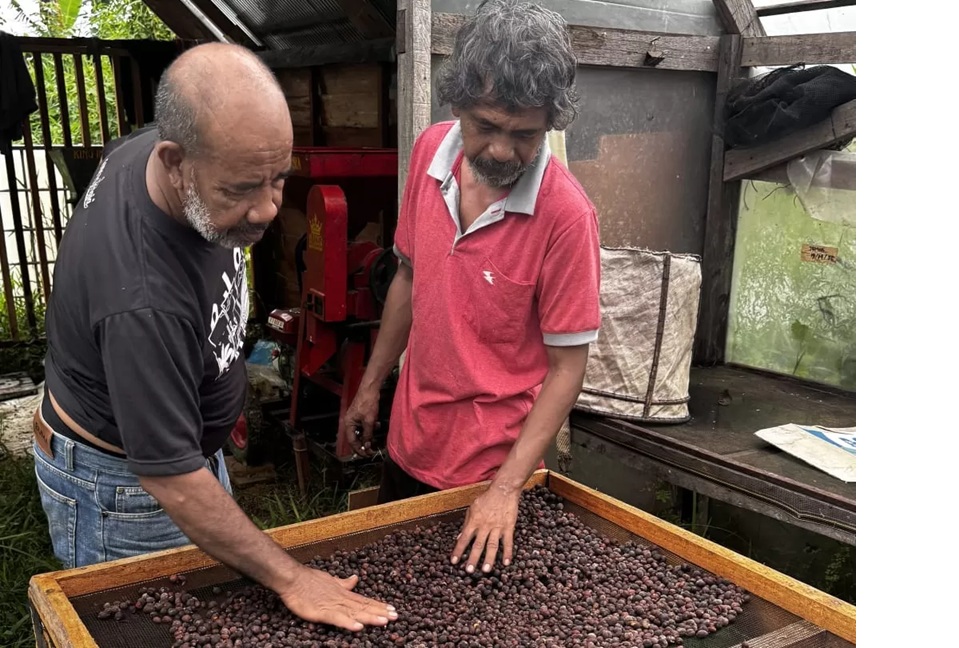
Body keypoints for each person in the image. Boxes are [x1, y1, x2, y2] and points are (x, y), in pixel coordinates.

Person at [32, 42, 396, 633]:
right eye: (241, 189)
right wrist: (294, 578)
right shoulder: (141, 301)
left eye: (279, 179)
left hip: (179, 456)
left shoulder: (153, 151)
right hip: (125, 491)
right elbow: (169, 476)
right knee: (150, 634)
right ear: (174, 161)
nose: (268, 209)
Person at [342, 0, 601, 577]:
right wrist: (371, 387)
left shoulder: (566, 217)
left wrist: (506, 489)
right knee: (394, 595)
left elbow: (567, 368)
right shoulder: (429, 154)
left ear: (550, 124)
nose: (503, 150)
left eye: (524, 134)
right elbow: (408, 277)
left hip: (494, 472)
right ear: (456, 104)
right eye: (485, 126)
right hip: (410, 442)